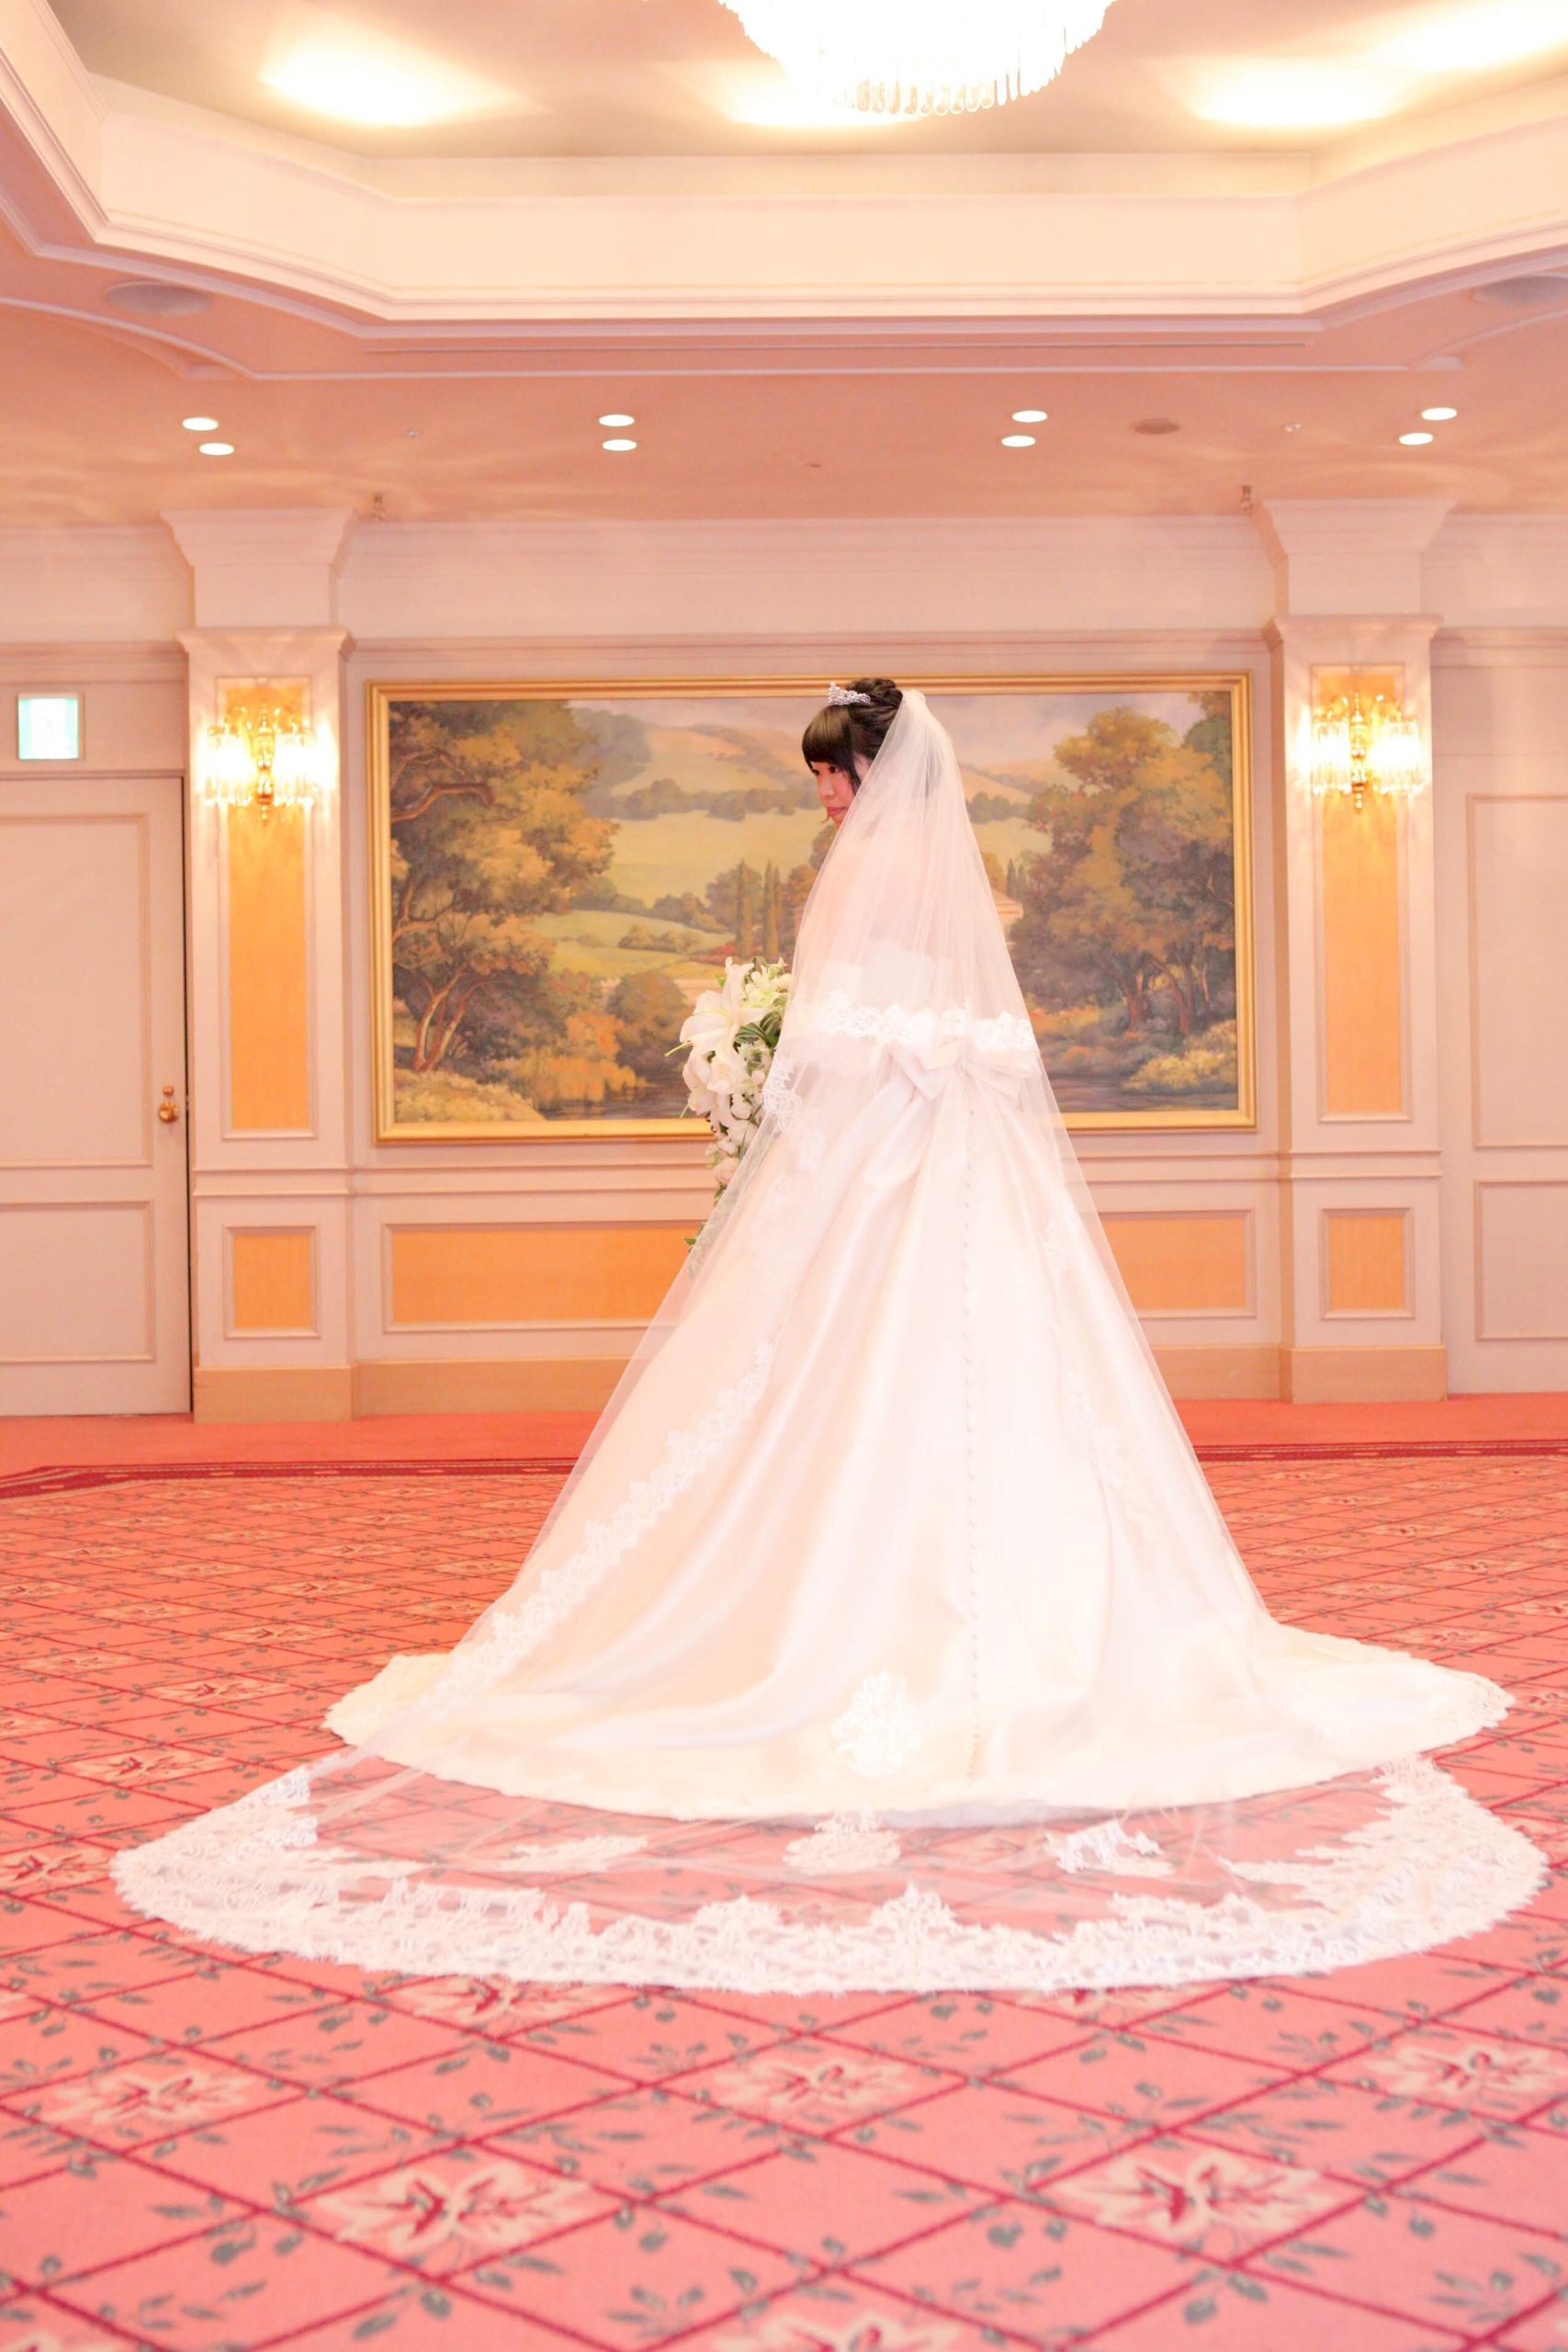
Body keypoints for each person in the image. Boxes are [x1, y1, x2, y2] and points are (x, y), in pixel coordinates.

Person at [115, 681, 1542, 1993]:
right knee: (913, 1413)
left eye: (833, 779)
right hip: (949, 1206)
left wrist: (787, 1093)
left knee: (856, 1411)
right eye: (821, 782)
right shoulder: (948, 909)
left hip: (897, 1209)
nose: (825, 800)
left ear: (875, 774)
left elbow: (841, 1076)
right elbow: (974, 1060)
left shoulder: (860, 902)